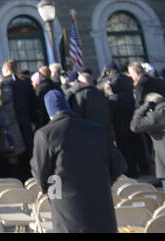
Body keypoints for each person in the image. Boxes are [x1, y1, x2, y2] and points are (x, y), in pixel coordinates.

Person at [30, 90, 126, 232]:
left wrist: (54, 192)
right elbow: (119, 164)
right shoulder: (96, 129)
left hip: (67, 207)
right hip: (100, 201)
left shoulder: (46, 134)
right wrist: (103, 181)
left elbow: (41, 173)